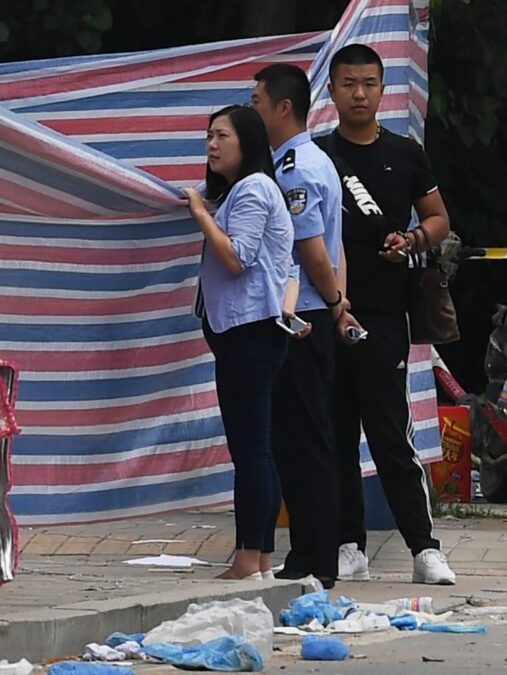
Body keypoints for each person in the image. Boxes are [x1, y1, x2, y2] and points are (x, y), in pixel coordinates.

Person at [318, 44, 456, 585]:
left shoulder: (406, 152)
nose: (359, 93)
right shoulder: (316, 157)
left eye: (369, 83)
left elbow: (440, 217)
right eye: (348, 83)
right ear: (331, 91)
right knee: (334, 433)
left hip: (385, 312)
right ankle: (347, 545)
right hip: (328, 313)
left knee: (390, 432)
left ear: (382, 89)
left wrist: (415, 238)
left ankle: (425, 549)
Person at [251, 63, 361, 589]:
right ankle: (310, 553)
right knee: (299, 437)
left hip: (305, 315)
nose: (253, 111)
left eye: (256, 103)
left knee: (305, 438)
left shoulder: (294, 166)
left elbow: (312, 249)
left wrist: (337, 303)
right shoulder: (304, 160)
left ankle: (317, 558)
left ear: (283, 107)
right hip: (309, 310)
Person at [184, 105, 294, 581]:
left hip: (249, 334)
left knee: (249, 450)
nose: (211, 145)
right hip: (249, 334)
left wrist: (198, 214)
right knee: (257, 448)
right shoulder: (241, 192)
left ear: (246, 142)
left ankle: (248, 557)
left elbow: (237, 258)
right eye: (208, 135)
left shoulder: (253, 189)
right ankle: (261, 554)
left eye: (221, 136)